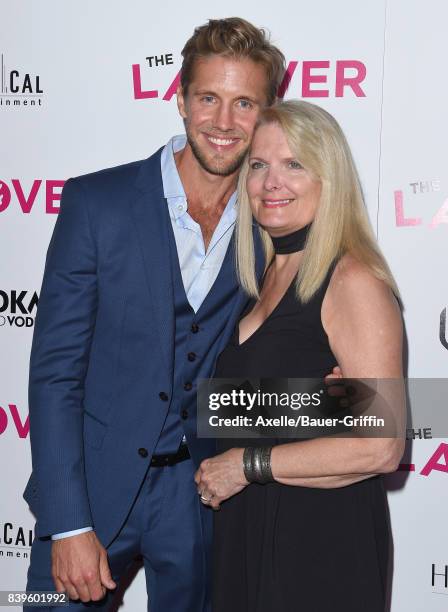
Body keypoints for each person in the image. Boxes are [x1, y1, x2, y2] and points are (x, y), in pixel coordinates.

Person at [23, 17, 287, 612]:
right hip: (89, 492)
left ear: (268, 112)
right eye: (208, 99)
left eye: (244, 102)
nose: (223, 123)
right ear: (179, 99)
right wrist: (66, 525)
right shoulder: (97, 203)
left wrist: (361, 406)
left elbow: (288, 361)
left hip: (203, 499)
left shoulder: (275, 220)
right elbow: (55, 373)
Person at [194, 100, 406, 612]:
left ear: (328, 179)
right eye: (259, 165)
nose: (271, 182)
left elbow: (382, 447)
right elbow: (237, 403)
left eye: (294, 164)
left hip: (318, 545)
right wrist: (314, 404)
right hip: (246, 532)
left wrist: (247, 464)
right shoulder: (260, 277)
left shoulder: (352, 281)